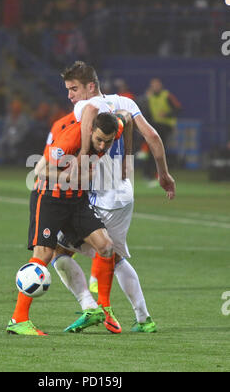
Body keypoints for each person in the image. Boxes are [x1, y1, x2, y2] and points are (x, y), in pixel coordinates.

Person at [51, 61, 175, 334]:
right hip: (125, 193)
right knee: (116, 258)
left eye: (74, 89)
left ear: (90, 86)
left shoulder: (85, 108)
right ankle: (143, 319)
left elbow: (84, 149)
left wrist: (69, 172)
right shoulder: (125, 103)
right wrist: (163, 174)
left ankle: (93, 307)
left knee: (59, 253)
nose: (70, 95)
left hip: (101, 195)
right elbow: (153, 136)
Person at [6, 111, 129, 336]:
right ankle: (18, 319)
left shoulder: (113, 128)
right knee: (43, 255)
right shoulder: (70, 140)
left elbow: (124, 118)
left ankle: (103, 308)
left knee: (106, 246)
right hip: (50, 198)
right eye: (99, 139)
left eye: (108, 141)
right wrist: (73, 177)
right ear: (90, 130)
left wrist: (121, 114)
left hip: (77, 200)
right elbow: (40, 170)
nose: (102, 146)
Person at [141, 77, 182, 183]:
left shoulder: (166, 95)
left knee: (158, 150)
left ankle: (157, 175)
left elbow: (178, 108)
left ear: (161, 85)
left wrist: (166, 114)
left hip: (165, 126)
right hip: (155, 126)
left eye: (157, 85)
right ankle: (149, 174)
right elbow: (143, 108)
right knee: (152, 150)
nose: (155, 87)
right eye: (153, 85)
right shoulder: (150, 97)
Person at [0, 99, 29, 164]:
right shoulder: (8, 117)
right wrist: (6, 135)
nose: (15, 109)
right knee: (1, 142)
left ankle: (13, 160)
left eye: (16, 108)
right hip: (8, 136)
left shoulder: (23, 118)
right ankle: (4, 160)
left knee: (13, 141)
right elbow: (5, 129)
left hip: (19, 136)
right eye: (13, 108)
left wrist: (18, 135)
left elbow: (26, 130)